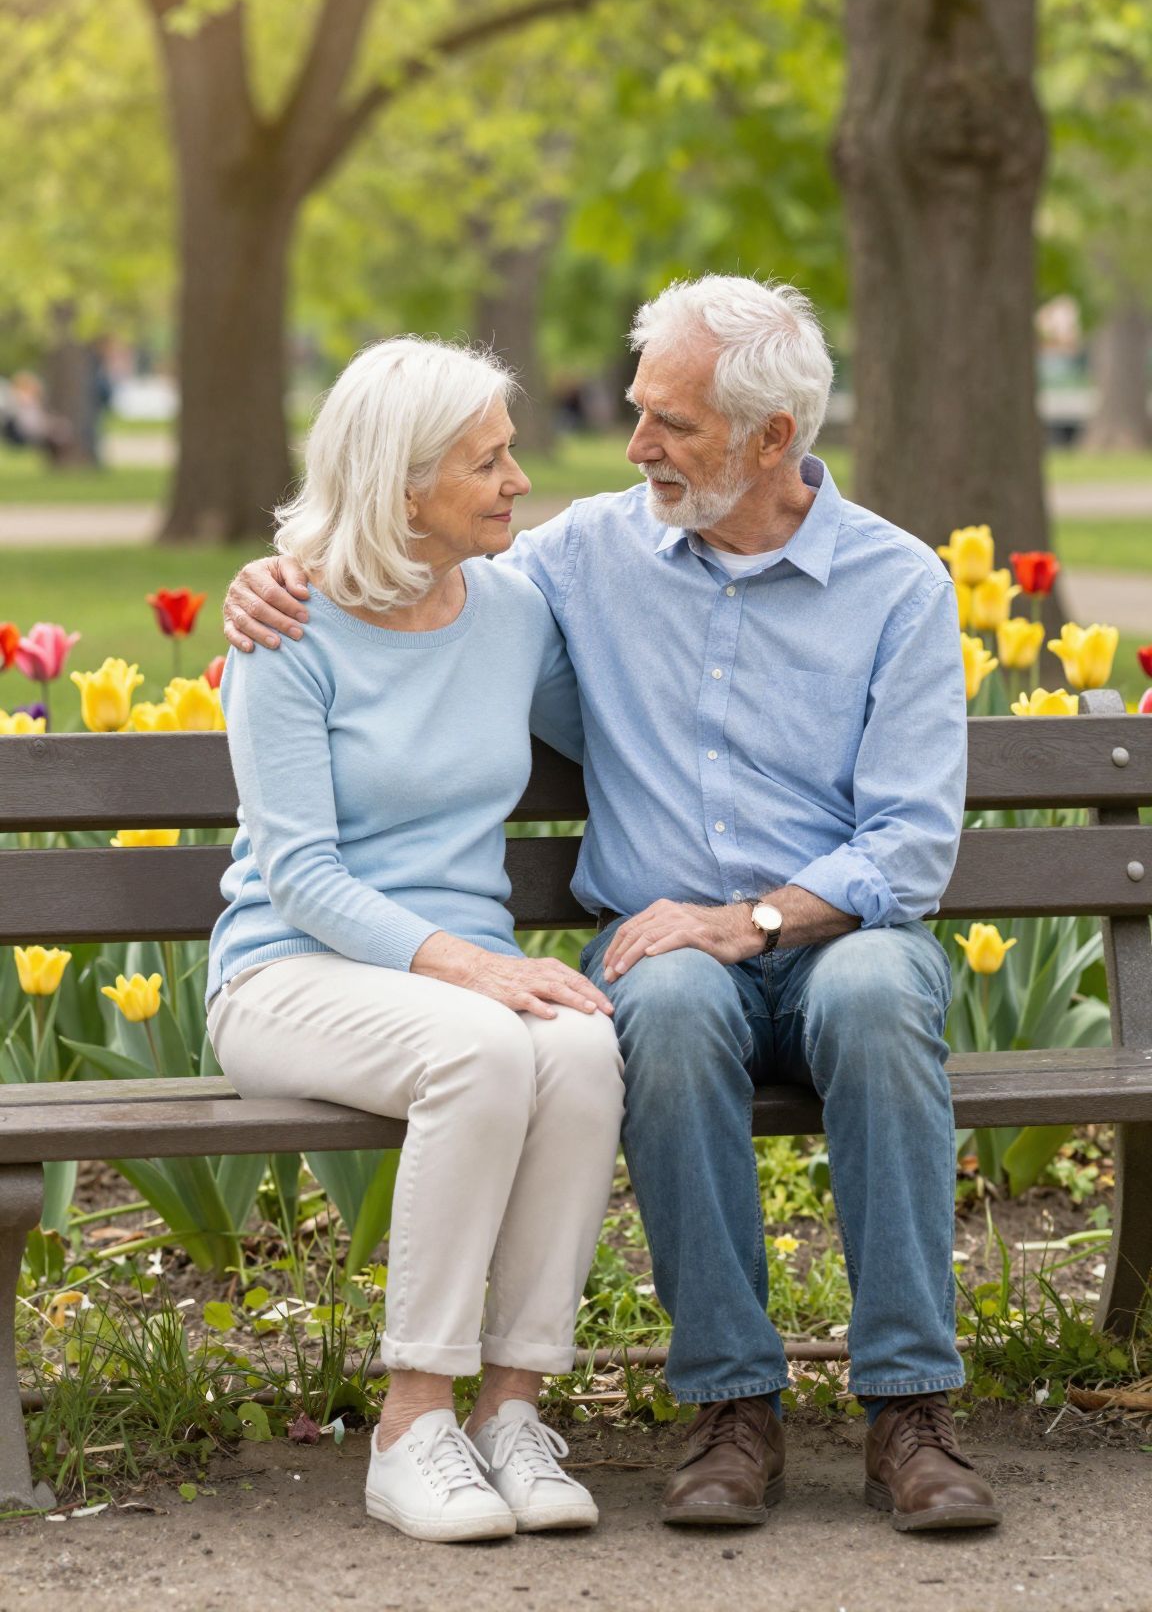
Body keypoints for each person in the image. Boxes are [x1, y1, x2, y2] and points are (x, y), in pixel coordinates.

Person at [225, 275, 1001, 1536]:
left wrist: (748, 916)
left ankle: (909, 1409)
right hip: (652, 950)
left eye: (672, 424)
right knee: (671, 1003)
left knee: (868, 994)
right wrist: (265, 579)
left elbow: (911, 844)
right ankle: (732, 1407)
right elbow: (397, 564)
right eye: (638, 412)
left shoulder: (897, 584)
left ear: (770, 439)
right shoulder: (580, 557)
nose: (632, 445)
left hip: (834, 933)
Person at [208, 335, 624, 1543]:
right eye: (487, 460)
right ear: (400, 485)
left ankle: (510, 1411)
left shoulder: (509, 609)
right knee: (489, 1046)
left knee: (585, 1048)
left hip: (459, 986)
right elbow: (301, 870)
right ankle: (409, 1425)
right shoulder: (286, 626)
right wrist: (475, 966)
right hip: (290, 974)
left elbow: (618, 737)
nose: (517, 480)